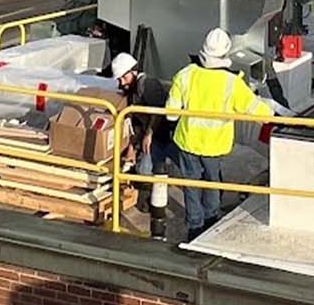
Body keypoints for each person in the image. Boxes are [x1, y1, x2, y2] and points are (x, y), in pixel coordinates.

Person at [165, 28, 272, 240]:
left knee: (191, 185)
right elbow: (258, 110)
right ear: (226, 52)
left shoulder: (185, 75)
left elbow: (171, 114)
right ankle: (211, 222)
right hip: (215, 146)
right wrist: (277, 118)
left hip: (187, 141)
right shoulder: (232, 83)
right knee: (213, 183)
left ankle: (195, 227)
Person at [111, 52, 173, 239]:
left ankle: (156, 208)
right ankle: (151, 202)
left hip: (163, 135)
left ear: (133, 72)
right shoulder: (133, 91)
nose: (122, 82)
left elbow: (158, 111)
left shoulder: (148, 85)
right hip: (150, 136)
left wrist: (149, 134)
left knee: (152, 170)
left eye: (124, 78)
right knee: (145, 169)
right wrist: (132, 146)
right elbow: (136, 121)